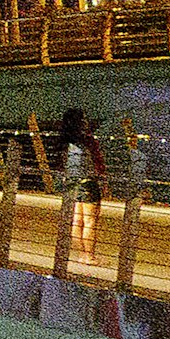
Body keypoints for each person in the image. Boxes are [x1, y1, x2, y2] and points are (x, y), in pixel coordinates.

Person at [53, 107, 100, 260]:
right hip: (88, 183)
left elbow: (61, 165)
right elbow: (98, 162)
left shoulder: (63, 142)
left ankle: (82, 254)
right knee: (90, 221)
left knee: (76, 221)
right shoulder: (87, 141)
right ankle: (89, 256)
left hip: (71, 183)